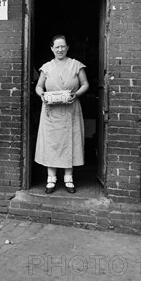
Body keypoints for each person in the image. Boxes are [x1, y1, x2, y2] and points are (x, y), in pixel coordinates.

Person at [34, 34, 89, 194]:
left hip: (70, 109)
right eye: (57, 47)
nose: (60, 49)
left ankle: (68, 178)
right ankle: (51, 179)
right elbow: (38, 86)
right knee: (52, 143)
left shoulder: (76, 65)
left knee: (69, 142)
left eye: (63, 46)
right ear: (52, 48)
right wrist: (42, 95)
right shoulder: (46, 67)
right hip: (51, 111)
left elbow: (85, 84)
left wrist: (76, 94)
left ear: (67, 48)